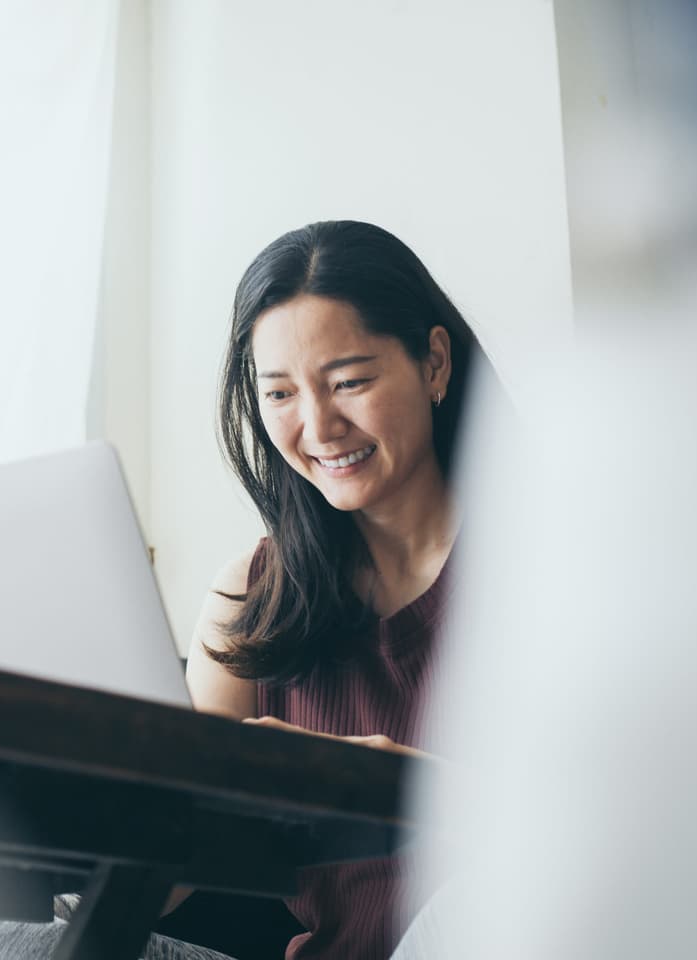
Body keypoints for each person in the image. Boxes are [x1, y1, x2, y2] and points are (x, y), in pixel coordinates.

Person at [183, 220, 490, 960]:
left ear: (435, 363)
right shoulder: (251, 600)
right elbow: (180, 856)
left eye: (349, 381)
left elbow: (619, 828)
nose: (318, 427)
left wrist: (383, 785)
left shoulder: (555, 564)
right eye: (280, 393)